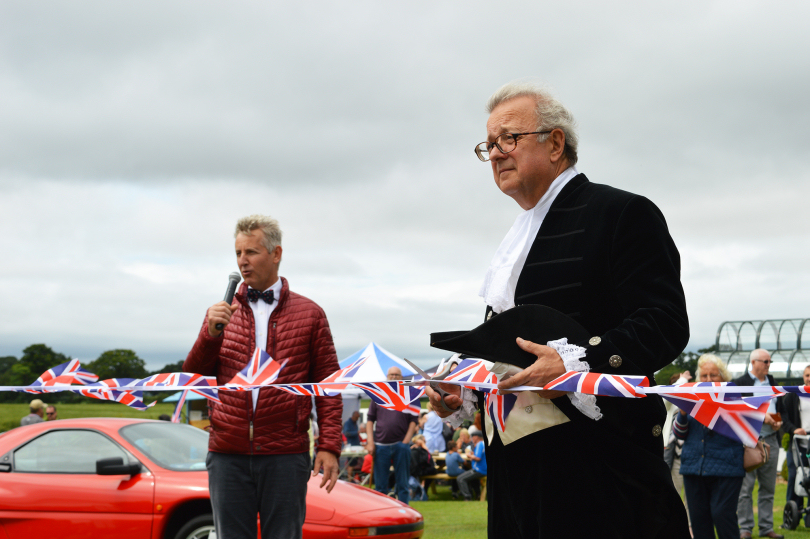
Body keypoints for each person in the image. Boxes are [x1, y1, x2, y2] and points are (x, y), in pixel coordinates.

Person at [426, 81, 690, 537]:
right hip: (514, 469)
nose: (494, 154)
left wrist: (577, 364)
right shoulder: (517, 234)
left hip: (598, 464)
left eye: (508, 138)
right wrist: (465, 386)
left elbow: (665, 321)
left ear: (555, 143)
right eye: (488, 145)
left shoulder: (622, 212)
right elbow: (510, 341)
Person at [184, 214, 341, 539]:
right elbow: (194, 377)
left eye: (251, 252)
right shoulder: (220, 313)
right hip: (227, 453)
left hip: (285, 453)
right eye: (238, 253)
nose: (243, 261)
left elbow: (329, 385)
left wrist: (328, 445)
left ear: (276, 254)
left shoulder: (310, 314)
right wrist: (210, 335)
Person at [674, 354, 744, 539]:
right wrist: (682, 413)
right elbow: (679, 434)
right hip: (693, 467)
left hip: (726, 468)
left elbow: (744, 430)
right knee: (698, 520)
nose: (708, 380)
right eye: (704, 376)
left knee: (722, 515)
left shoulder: (734, 397)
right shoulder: (691, 397)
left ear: (723, 377)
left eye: (713, 375)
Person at [734, 349, 785, 539]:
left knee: (768, 488)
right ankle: (745, 528)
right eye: (765, 361)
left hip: (771, 440)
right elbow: (738, 411)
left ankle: (766, 528)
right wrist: (762, 418)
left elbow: (781, 409)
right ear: (753, 362)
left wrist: (778, 421)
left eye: (770, 362)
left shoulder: (773, 383)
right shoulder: (739, 384)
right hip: (748, 442)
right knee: (745, 489)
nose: (768, 365)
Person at [365, 366, 418, 504]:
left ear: (401, 378)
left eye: (396, 375)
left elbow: (414, 420)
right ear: (387, 377)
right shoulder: (378, 395)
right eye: (391, 375)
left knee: (403, 484)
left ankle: (404, 514)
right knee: (380, 486)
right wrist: (370, 442)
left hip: (401, 445)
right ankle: (381, 513)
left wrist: (406, 442)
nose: (394, 377)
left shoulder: (408, 394)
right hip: (380, 445)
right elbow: (370, 419)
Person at [782, 365, 810, 513]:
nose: (809, 378)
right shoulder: (794, 395)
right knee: (795, 476)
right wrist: (794, 429)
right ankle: (792, 513)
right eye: (806, 375)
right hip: (797, 443)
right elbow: (784, 417)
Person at [457, 428, 487, 501]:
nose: (472, 438)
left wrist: (469, 455)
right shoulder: (482, 443)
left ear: (476, 437)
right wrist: (472, 455)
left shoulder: (480, 444)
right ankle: (474, 495)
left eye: (473, 436)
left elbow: (478, 458)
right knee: (462, 478)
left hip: (479, 470)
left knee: (460, 479)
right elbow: (478, 455)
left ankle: (467, 497)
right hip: (480, 469)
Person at [409, 434, 437, 500]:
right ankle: (424, 490)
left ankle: (423, 491)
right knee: (434, 471)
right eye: (424, 441)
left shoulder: (411, 447)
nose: (425, 443)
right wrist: (425, 447)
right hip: (418, 471)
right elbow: (429, 461)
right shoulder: (421, 450)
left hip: (412, 471)